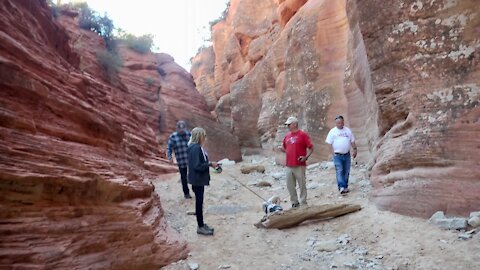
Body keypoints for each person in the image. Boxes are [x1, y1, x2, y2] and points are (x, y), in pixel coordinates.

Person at [187, 127, 218, 236]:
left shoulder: (193, 147)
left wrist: (210, 164)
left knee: (199, 203)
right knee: (199, 204)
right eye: (204, 136)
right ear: (199, 136)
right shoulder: (196, 148)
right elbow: (197, 166)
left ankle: (201, 224)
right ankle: (200, 227)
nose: (205, 138)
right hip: (198, 180)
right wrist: (210, 164)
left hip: (196, 179)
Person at [280, 116, 314, 208]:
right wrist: (285, 150)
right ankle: (294, 202)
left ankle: (303, 202)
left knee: (302, 184)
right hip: (289, 164)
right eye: (287, 125)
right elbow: (283, 147)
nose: (288, 126)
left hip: (299, 164)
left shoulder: (302, 135)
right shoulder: (287, 136)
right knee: (290, 185)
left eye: (289, 125)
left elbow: (310, 147)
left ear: (294, 124)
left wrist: (305, 157)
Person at [325, 115, 357, 194]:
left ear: (343, 122)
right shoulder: (332, 132)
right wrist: (332, 153)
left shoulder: (348, 131)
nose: (339, 124)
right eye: (337, 123)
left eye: (341, 122)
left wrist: (355, 149)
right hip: (337, 155)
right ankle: (341, 187)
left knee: (346, 171)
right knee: (339, 170)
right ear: (336, 123)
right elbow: (329, 143)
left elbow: (352, 141)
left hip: (346, 154)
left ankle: (345, 186)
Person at [167, 120, 192, 199]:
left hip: (191, 159)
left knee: (194, 175)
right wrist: (169, 156)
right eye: (180, 130)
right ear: (177, 129)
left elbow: (196, 144)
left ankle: (195, 189)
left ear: (185, 128)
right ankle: (186, 193)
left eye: (183, 130)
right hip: (181, 160)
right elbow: (169, 148)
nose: (182, 132)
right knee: (183, 177)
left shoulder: (189, 134)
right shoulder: (173, 137)